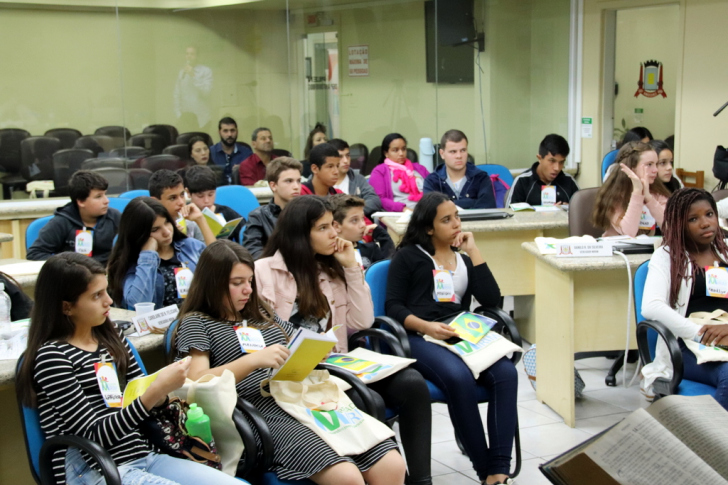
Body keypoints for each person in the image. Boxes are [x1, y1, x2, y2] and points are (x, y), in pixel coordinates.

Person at [174, 240, 407, 484]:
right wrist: (253, 361)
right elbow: (195, 380)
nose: (248, 290)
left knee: (391, 465)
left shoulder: (260, 313)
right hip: (255, 410)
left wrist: (315, 349)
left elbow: (296, 338)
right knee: (345, 477)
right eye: (237, 283)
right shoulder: (197, 322)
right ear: (213, 283)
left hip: (301, 397)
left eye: (250, 281)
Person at [16, 252, 243, 485]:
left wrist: (164, 394)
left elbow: (144, 401)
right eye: (96, 296)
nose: (109, 301)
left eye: (106, 291)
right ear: (67, 307)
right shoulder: (52, 357)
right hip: (93, 467)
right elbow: (94, 436)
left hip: (141, 455)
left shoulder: (111, 339)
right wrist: (153, 393)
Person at [255, 196, 431, 484]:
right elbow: (262, 334)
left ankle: (421, 480)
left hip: (335, 362)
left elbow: (362, 322)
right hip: (296, 373)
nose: (334, 234)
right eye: (323, 228)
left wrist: (351, 266)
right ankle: (371, 472)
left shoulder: (330, 269)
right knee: (368, 398)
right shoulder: (263, 271)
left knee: (412, 383)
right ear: (301, 233)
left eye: (333, 226)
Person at [385, 192, 518, 485]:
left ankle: (499, 469)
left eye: (457, 216)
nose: (456, 223)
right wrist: (427, 327)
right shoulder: (409, 256)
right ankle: (487, 473)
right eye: (447, 220)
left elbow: (491, 298)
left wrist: (474, 251)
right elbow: (393, 306)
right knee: (458, 378)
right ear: (429, 227)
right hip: (420, 334)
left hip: (460, 331)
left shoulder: (462, 258)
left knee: (506, 373)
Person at [641, 188, 728, 410]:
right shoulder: (667, 256)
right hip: (689, 344)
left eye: (709, 214)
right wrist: (700, 334)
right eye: (693, 219)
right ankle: (710, 442)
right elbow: (651, 306)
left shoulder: (725, 250)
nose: (705, 223)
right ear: (679, 223)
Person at [107, 197, 205, 310]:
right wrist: (148, 255)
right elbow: (139, 304)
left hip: (196, 321)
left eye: (167, 222)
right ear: (139, 234)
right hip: (157, 325)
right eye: (155, 230)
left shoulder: (191, 247)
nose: (167, 232)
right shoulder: (132, 262)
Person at [27, 171, 120, 264]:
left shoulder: (115, 217)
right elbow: (34, 254)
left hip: (108, 273)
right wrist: (69, 265)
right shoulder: (61, 222)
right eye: (98, 197)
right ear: (81, 201)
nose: (106, 200)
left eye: (105, 194)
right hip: (75, 274)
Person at [593, 141, 670, 237]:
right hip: (618, 249)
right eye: (649, 164)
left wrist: (649, 198)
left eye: (656, 164)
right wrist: (637, 192)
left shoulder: (656, 190)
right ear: (631, 167)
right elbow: (628, 234)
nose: (656, 170)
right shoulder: (613, 194)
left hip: (647, 249)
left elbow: (670, 227)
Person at [242, 157, 301, 259]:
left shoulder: (308, 213)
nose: (296, 186)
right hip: (273, 271)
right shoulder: (258, 216)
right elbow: (253, 251)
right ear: (273, 186)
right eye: (289, 181)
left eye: (299, 181)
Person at [423, 130, 496, 209]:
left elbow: (487, 208)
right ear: (442, 154)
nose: (459, 156)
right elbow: (430, 212)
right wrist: (472, 202)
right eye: (453, 152)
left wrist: (447, 205)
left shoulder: (481, 178)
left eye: (463, 150)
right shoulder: (431, 181)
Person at [506, 134, 578, 207]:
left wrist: (569, 209)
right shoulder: (522, 181)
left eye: (561, 162)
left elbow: (583, 212)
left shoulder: (569, 181)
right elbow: (510, 215)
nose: (557, 168)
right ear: (540, 158)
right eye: (552, 161)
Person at [149, 169, 216, 246]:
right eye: (173, 198)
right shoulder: (151, 230)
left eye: (182, 195)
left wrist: (201, 220)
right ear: (155, 201)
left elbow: (214, 256)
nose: (181, 202)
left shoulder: (190, 224)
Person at [330, 194, 394, 270]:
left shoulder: (371, 250)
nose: (363, 225)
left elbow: (388, 271)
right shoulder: (328, 255)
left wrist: (383, 237)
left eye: (363, 218)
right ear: (336, 226)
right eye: (354, 220)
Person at [368, 133, 429, 212]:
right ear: (386, 153)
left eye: (403, 149)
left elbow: (435, 188)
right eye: (395, 150)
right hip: (400, 215)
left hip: (427, 213)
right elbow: (380, 200)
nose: (401, 153)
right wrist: (403, 209)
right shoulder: (380, 171)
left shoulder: (419, 168)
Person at [184, 165, 244, 241]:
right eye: (200, 196)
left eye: (210, 194)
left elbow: (246, 233)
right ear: (188, 193)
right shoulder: (184, 215)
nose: (206, 200)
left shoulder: (227, 213)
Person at [329, 138, 383, 217]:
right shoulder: (321, 180)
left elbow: (374, 200)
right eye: (340, 157)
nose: (346, 161)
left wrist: (353, 214)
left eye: (348, 156)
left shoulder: (357, 178)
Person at [173, 46, 213, 132]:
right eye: (187, 54)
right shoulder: (181, 72)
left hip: (202, 119)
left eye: (192, 54)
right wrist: (179, 114)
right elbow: (177, 94)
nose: (189, 56)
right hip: (186, 119)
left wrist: (193, 76)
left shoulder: (206, 71)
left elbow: (206, 93)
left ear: (197, 56)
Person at [209, 117, 253, 185]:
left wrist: (242, 168)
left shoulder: (246, 153)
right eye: (225, 131)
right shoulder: (210, 152)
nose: (229, 134)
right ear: (219, 132)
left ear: (237, 131)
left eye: (232, 130)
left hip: (240, 191)